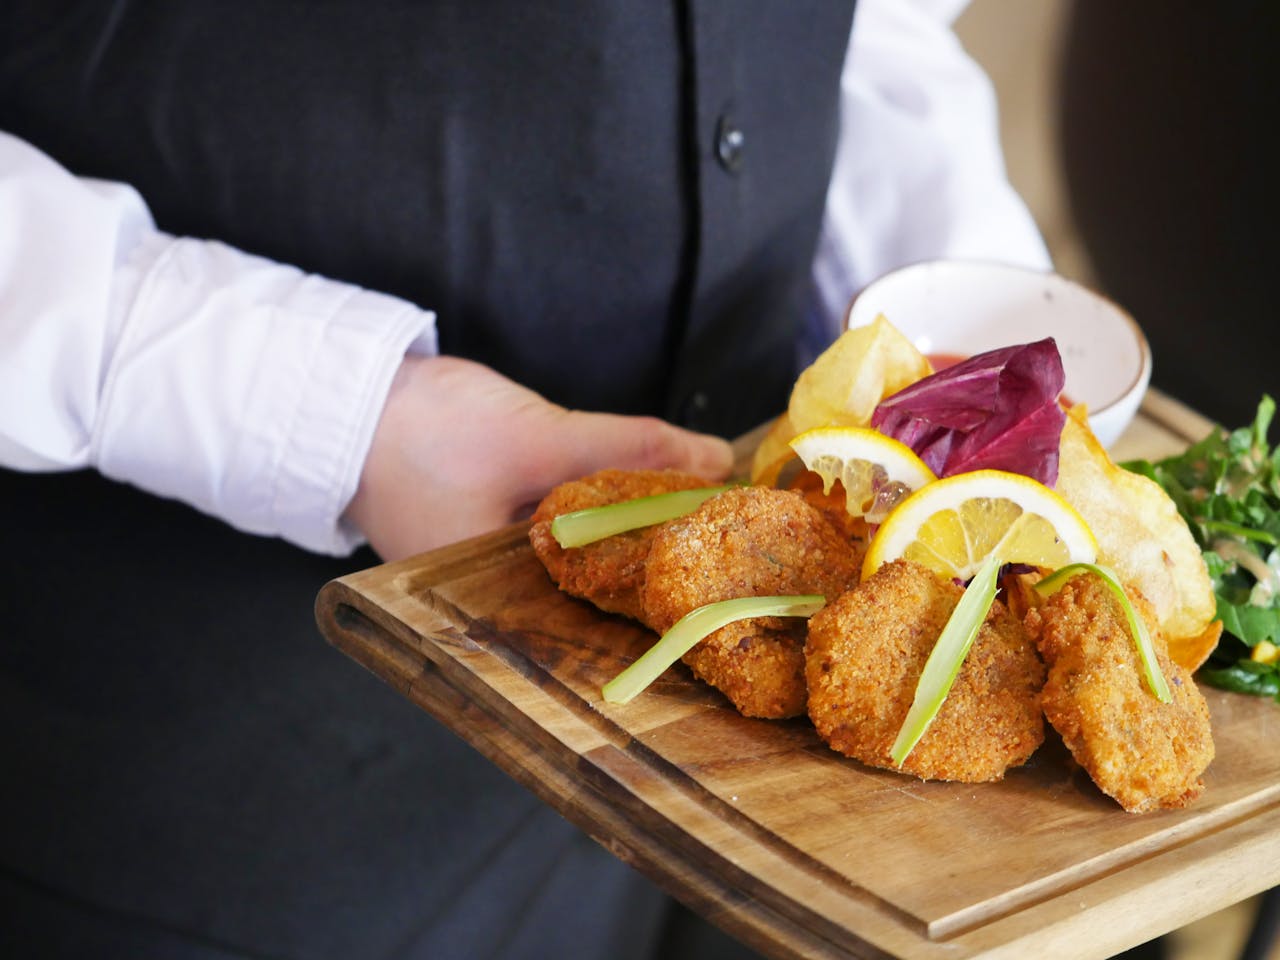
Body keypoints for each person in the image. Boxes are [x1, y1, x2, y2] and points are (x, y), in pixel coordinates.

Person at [0, 2, 1048, 958]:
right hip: (236, 784)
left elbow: (876, 31)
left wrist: (971, 320)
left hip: (761, 783)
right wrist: (353, 417)